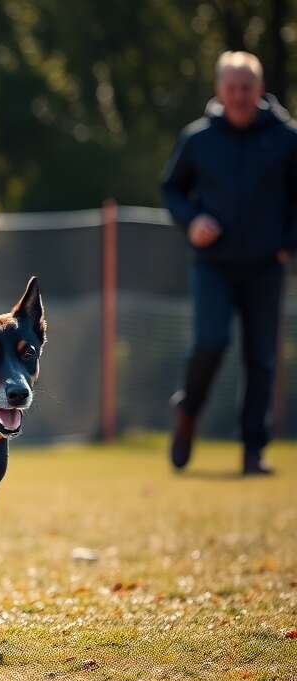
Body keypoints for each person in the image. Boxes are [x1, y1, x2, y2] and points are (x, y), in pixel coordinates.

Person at [161, 50, 293, 475]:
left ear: (259, 90)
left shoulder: (286, 139)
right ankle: (188, 411)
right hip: (213, 264)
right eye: (231, 87)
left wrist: (288, 243)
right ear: (219, 90)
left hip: (265, 265)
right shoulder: (198, 139)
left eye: (246, 88)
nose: (239, 95)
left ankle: (254, 451)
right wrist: (191, 219)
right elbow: (172, 190)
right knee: (211, 342)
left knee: (261, 359)